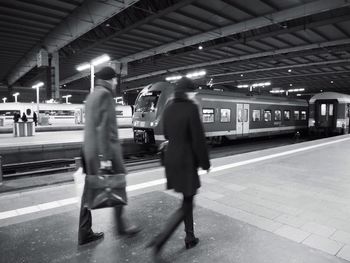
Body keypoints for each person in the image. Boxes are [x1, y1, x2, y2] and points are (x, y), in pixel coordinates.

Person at [148, 77, 211, 258]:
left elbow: (167, 133)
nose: (194, 95)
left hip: (172, 160)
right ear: (187, 92)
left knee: (187, 200)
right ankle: (161, 239)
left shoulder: (168, 108)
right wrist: (205, 164)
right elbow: (199, 140)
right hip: (186, 161)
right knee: (187, 203)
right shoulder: (191, 109)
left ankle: (190, 237)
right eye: (193, 92)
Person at [78, 66, 141, 246]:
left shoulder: (91, 96)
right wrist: (106, 159)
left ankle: (84, 231)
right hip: (105, 152)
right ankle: (122, 226)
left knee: (88, 191)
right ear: (108, 80)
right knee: (119, 185)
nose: (115, 83)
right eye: (114, 79)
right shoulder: (105, 95)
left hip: (89, 151)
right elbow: (104, 129)